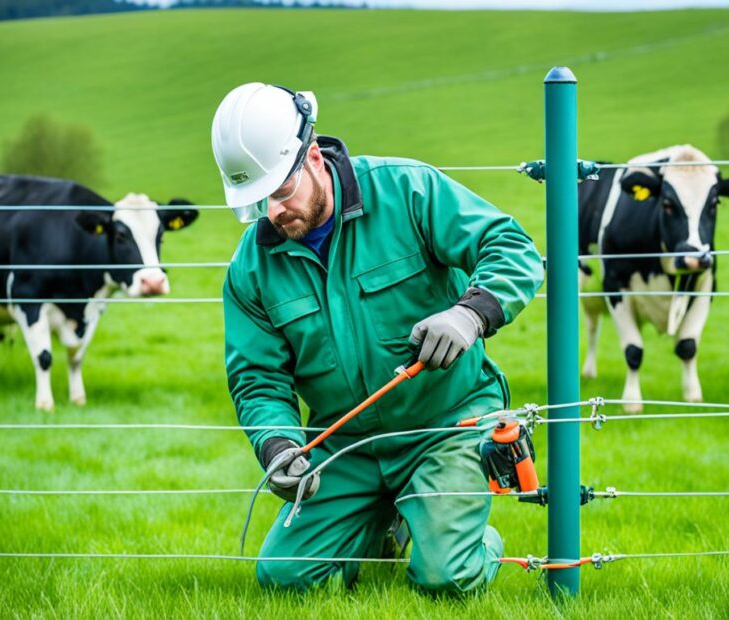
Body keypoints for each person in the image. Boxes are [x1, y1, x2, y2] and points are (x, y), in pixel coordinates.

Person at [214, 82, 544, 594]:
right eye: (258, 201)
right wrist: (277, 444)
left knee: (445, 578)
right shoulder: (250, 268)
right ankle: (388, 524)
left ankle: (462, 540)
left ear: (314, 157)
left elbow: (510, 246)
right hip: (346, 443)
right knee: (283, 579)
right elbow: (257, 379)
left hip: (447, 422)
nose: (273, 213)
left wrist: (470, 314)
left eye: (280, 191)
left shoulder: (407, 189)